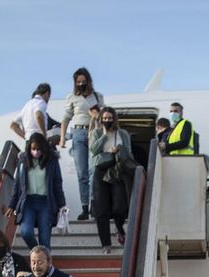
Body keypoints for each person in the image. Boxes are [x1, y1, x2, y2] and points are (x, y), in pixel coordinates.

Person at [57, 69, 102, 221]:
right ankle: (84, 207)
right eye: (78, 82)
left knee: (92, 170)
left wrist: (96, 116)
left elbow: (100, 116)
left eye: (84, 81)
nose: (81, 84)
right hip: (78, 134)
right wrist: (63, 138)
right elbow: (65, 119)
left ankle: (93, 205)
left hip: (93, 133)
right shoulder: (72, 97)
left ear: (89, 81)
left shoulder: (97, 96)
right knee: (81, 173)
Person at [89, 105, 136, 253]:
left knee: (120, 206)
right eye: (104, 118)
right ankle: (106, 244)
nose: (107, 121)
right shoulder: (96, 132)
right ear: (101, 119)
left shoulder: (122, 133)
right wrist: (104, 135)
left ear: (114, 119)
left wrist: (119, 150)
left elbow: (129, 152)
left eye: (109, 118)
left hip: (117, 170)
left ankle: (119, 226)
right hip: (101, 170)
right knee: (102, 209)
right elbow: (93, 150)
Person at [9, 132, 65, 253]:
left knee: (45, 239)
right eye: (33, 149)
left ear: (44, 148)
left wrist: (62, 204)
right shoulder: (23, 161)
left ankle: (46, 264)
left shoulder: (52, 161)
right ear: (29, 148)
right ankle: (38, 254)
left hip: (45, 202)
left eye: (39, 149)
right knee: (26, 232)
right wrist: (11, 205)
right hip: (28, 202)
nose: (36, 152)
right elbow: (17, 184)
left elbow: (57, 183)